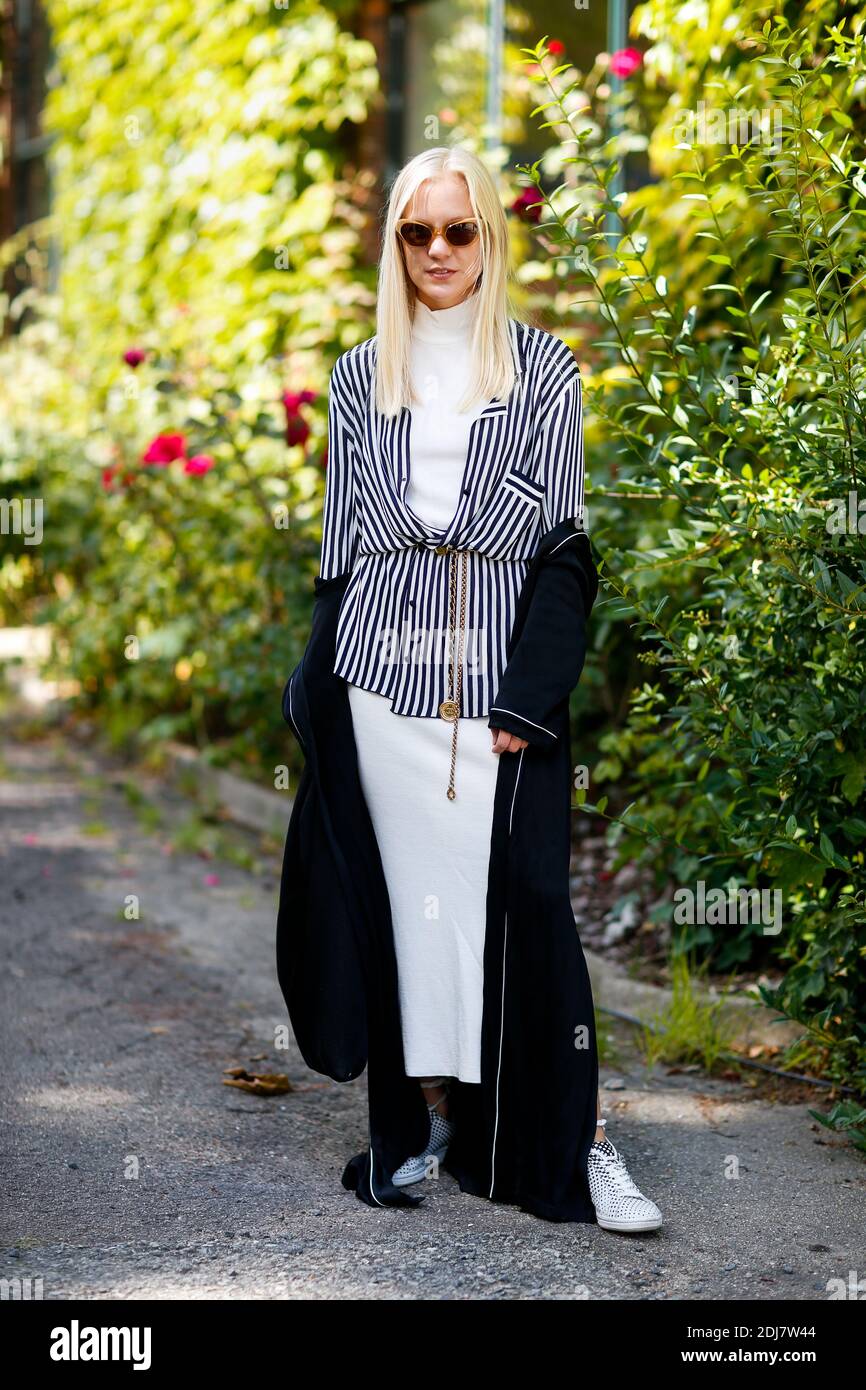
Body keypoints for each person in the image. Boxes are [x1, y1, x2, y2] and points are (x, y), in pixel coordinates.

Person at [279, 144, 662, 1234]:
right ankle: (430, 1121)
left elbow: (566, 550)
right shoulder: (361, 378)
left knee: (532, 912)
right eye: (416, 232)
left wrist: (530, 702)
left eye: (459, 230)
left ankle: (581, 1144)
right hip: (379, 691)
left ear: (490, 236)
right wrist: (313, 695)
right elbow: (340, 554)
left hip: (498, 703)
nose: (438, 251)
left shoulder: (544, 372)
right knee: (406, 919)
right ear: (394, 243)